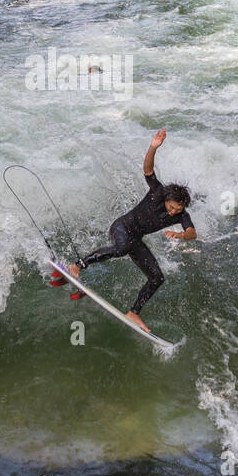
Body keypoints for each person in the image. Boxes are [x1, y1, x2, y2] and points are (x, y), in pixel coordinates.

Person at [60, 129, 197, 333]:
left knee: (157, 277)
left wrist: (180, 234)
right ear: (167, 199)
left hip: (135, 239)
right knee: (122, 246)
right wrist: (153, 147)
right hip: (122, 227)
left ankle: (134, 312)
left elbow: (192, 233)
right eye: (172, 206)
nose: (173, 212)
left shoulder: (181, 215)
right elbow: (148, 170)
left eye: (178, 209)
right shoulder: (158, 193)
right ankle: (78, 265)